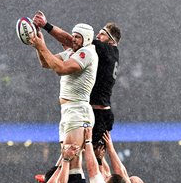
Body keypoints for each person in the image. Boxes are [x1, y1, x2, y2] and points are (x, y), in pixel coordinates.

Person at [29, 16, 99, 183]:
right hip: (68, 112)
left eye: (77, 36)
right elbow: (45, 63)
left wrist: (42, 44)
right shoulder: (73, 50)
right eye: (73, 35)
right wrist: (37, 45)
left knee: (72, 159)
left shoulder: (87, 53)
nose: (73, 39)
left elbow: (59, 68)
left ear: (86, 39)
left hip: (78, 111)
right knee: (71, 160)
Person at [33, 11, 121, 146]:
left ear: (112, 41)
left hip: (95, 111)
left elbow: (68, 41)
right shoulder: (109, 52)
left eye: (102, 34)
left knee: (89, 158)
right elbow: (49, 61)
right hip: (97, 110)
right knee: (79, 156)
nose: (97, 36)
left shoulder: (100, 49)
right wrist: (39, 45)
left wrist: (46, 26)